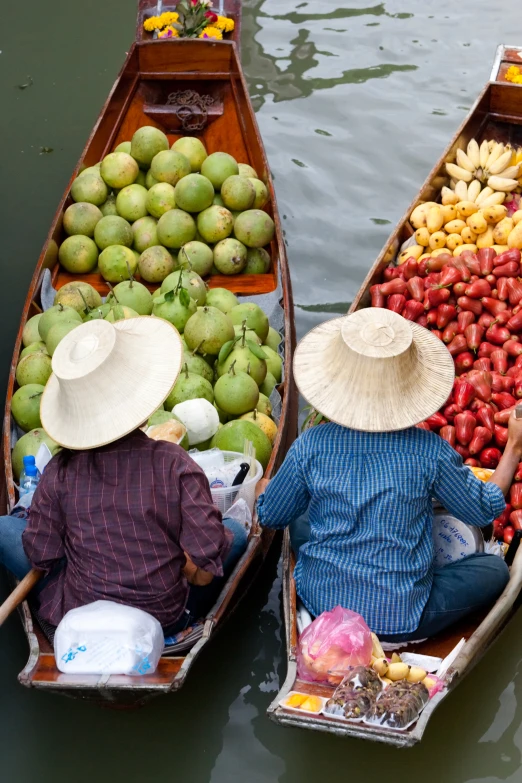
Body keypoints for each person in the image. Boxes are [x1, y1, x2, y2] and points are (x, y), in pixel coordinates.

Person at [256, 307, 520, 642]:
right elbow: (483, 510)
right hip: (401, 615)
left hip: (324, 602)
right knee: (494, 571)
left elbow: (270, 515)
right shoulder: (429, 451)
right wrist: (512, 447)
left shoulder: (310, 445)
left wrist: (263, 489)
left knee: (299, 515)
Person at [0, 317, 247, 636]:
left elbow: (41, 554)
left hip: (82, 611)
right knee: (236, 532)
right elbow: (206, 559)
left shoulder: (59, 471)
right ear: (144, 407)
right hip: (164, 616)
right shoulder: (176, 463)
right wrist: (184, 563)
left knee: (7, 527)